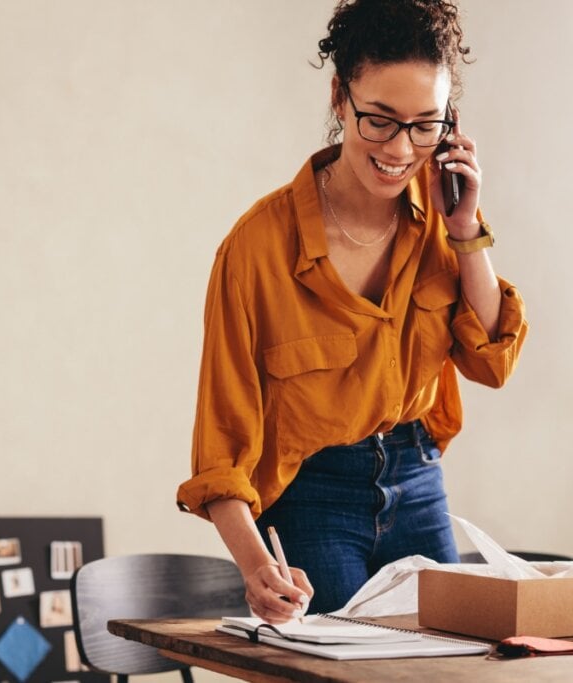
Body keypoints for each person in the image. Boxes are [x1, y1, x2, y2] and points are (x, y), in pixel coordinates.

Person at [176, 0, 528, 623]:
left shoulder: (442, 217)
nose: (401, 148)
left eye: (427, 124)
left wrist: (467, 227)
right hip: (313, 496)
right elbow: (221, 448)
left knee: (449, 666)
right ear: (340, 97)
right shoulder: (257, 250)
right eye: (380, 120)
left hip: (417, 479)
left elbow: (492, 360)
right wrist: (258, 568)